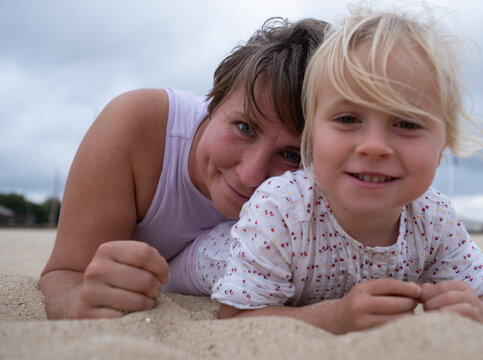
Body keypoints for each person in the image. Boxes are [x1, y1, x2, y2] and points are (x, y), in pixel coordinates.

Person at [189, 4, 483, 334]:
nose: (374, 146)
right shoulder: (281, 208)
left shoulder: (433, 218)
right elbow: (236, 318)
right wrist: (334, 319)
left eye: (406, 123)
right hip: (197, 258)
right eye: (348, 119)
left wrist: (480, 314)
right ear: (311, 137)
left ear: (443, 147)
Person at [38, 17, 329, 319]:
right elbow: (64, 274)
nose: (250, 175)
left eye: (291, 155)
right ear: (213, 102)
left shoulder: (332, 178)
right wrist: (78, 302)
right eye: (244, 127)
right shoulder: (136, 127)